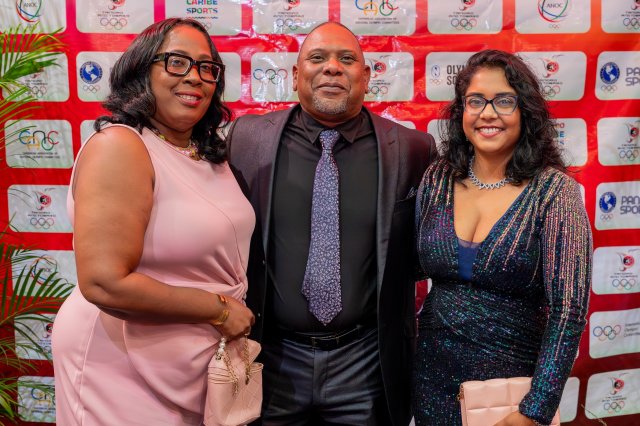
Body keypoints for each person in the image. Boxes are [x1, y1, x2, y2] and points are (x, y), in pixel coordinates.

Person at [227, 21, 436, 426]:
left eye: (347, 59)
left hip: (366, 364)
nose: (332, 68)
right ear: (295, 75)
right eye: (318, 58)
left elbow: (425, 250)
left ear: (367, 76)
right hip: (270, 358)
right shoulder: (246, 140)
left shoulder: (413, 149)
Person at [51, 18, 255, 425]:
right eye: (177, 62)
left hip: (186, 358)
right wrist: (219, 310)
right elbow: (104, 282)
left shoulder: (207, 154)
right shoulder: (120, 146)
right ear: (141, 70)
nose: (194, 77)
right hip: (117, 359)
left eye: (207, 67)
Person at [413, 49, 592, 425]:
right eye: (475, 101)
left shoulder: (553, 192)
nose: (488, 113)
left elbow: (569, 309)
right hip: (431, 382)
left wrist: (536, 409)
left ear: (525, 111)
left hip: (510, 396)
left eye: (504, 101)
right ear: (462, 110)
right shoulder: (437, 178)